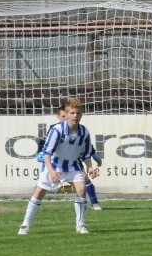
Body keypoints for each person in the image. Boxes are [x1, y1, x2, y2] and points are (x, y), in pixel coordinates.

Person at [19, 97, 99, 235]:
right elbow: (46, 152)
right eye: (72, 113)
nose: (75, 116)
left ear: (82, 115)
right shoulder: (57, 130)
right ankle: (25, 225)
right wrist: (51, 171)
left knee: (81, 190)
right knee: (39, 193)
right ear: (66, 115)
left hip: (73, 166)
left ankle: (81, 225)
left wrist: (90, 168)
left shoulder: (84, 132)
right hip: (54, 166)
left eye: (78, 113)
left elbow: (86, 154)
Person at [37, 105, 103, 210]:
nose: (65, 118)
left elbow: (84, 144)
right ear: (58, 116)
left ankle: (94, 203)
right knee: (41, 188)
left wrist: (92, 154)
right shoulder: (54, 129)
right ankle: (34, 207)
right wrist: (40, 152)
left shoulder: (80, 130)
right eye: (63, 116)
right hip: (55, 163)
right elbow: (44, 143)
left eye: (76, 113)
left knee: (84, 180)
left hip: (72, 161)